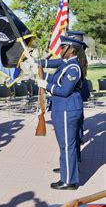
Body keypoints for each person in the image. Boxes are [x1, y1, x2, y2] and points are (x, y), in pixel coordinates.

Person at [36, 35, 86, 190]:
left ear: (72, 50)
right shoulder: (67, 64)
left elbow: (64, 90)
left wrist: (46, 85)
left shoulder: (73, 67)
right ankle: (66, 174)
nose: (61, 50)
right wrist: (41, 75)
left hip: (67, 109)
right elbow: (58, 79)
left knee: (67, 146)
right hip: (62, 108)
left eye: (63, 47)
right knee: (65, 146)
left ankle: (69, 181)